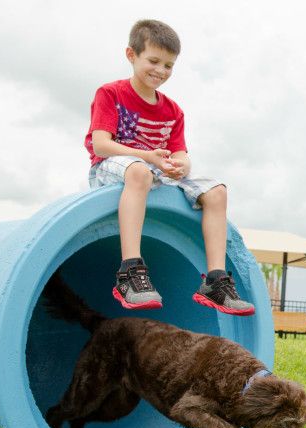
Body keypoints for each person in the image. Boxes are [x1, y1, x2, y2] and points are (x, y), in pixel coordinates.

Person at [85, 19, 254, 316]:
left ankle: (215, 281)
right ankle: (129, 271)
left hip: (155, 169)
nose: (160, 71)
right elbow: (101, 144)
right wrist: (147, 156)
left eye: (169, 65)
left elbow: (180, 154)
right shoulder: (111, 94)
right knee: (139, 171)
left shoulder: (173, 111)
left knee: (216, 191)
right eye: (153, 61)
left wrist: (179, 166)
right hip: (114, 166)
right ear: (131, 55)